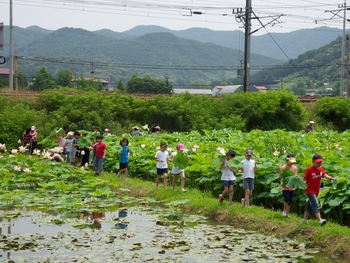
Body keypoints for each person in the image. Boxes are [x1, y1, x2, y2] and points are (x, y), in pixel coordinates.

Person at [302, 154, 336, 226]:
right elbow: (304, 178)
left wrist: (333, 179)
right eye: (317, 162)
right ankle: (320, 220)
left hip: (316, 190)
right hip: (309, 190)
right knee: (315, 203)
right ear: (313, 162)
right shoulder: (309, 169)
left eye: (320, 162)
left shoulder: (320, 169)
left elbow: (325, 176)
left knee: (309, 204)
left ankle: (304, 220)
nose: (319, 164)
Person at [279, 154, 297, 218]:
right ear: (287, 160)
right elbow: (280, 176)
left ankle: (287, 213)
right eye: (291, 161)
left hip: (292, 186)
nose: (292, 163)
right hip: (285, 186)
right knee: (287, 198)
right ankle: (284, 210)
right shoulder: (283, 167)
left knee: (290, 200)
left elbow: (295, 176)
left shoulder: (294, 168)